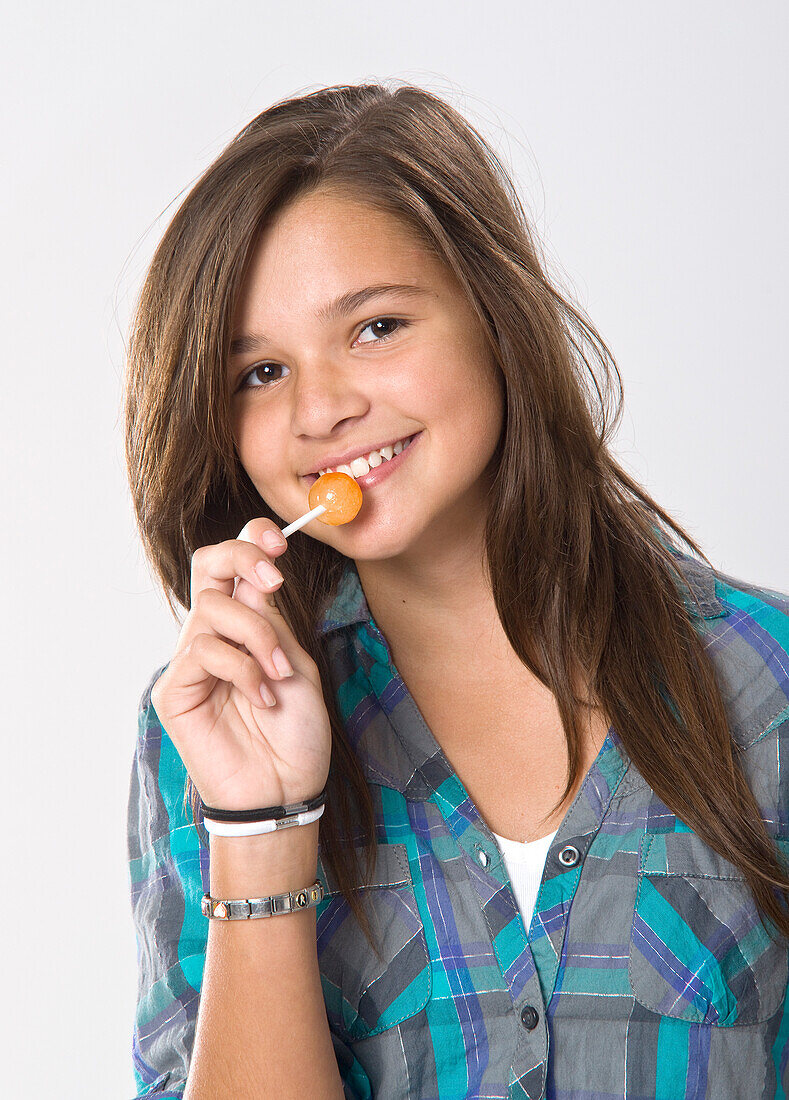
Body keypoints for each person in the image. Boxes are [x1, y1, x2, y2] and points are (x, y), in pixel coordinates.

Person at [124, 82, 789, 1100]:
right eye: (259, 372)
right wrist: (262, 828)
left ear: (494, 311)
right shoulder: (204, 736)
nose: (324, 409)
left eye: (377, 326)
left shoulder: (763, 681)